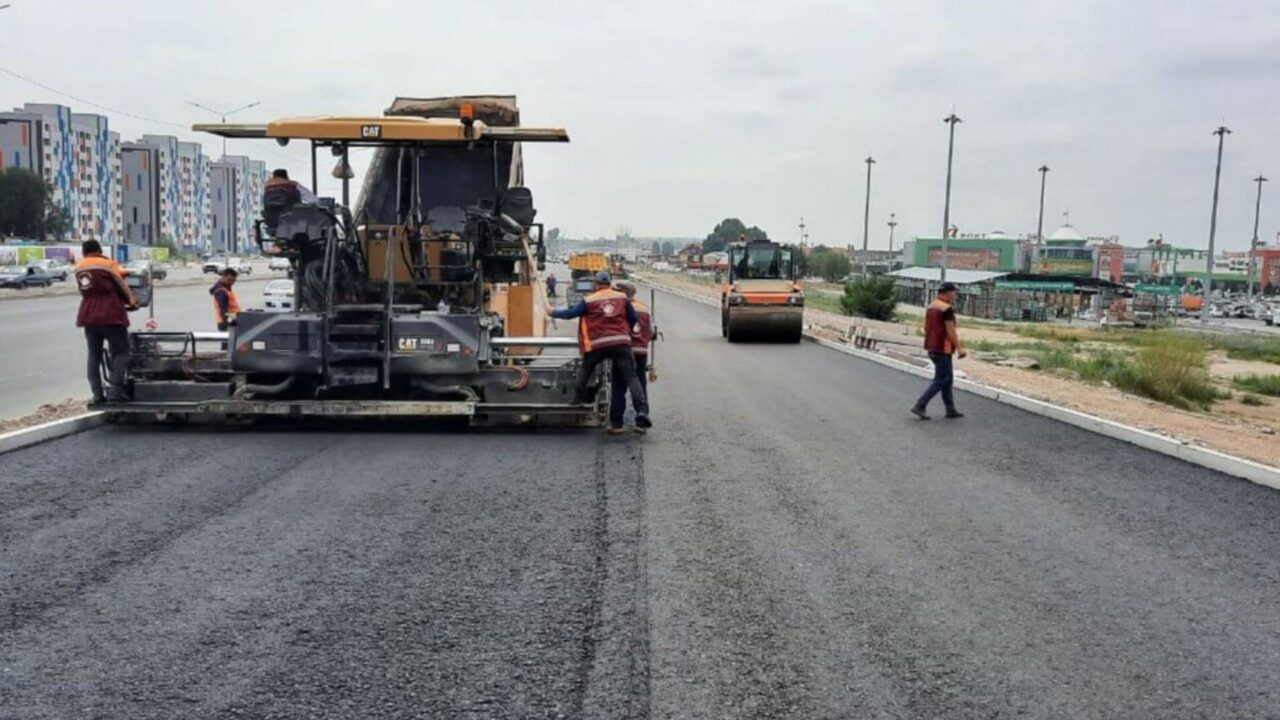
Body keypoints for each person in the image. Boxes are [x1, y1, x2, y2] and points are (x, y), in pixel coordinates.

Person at [546, 271, 652, 434]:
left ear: (596, 284)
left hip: (598, 344)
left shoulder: (589, 300)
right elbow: (633, 321)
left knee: (587, 368)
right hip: (621, 344)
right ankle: (642, 411)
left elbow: (570, 313)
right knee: (632, 378)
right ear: (610, 283)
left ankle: (578, 400)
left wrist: (552, 312)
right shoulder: (623, 299)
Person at [74, 240, 136, 404]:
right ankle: (116, 391)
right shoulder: (107, 264)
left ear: (84, 252)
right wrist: (132, 301)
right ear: (99, 250)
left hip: (88, 314)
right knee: (122, 351)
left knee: (93, 354)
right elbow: (121, 285)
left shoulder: (79, 267)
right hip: (110, 313)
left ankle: (97, 394)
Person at [911, 281, 966, 420]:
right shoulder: (946, 308)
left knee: (947, 378)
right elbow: (950, 330)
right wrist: (959, 347)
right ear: (948, 292)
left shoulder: (931, 306)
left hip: (931, 346)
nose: (955, 294)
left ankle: (950, 409)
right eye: (953, 292)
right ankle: (920, 405)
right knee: (942, 379)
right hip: (943, 348)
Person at [609, 282, 654, 432]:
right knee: (640, 385)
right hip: (641, 352)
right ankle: (641, 422)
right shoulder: (644, 309)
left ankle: (617, 424)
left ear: (624, 292)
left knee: (618, 387)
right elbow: (651, 332)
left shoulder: (619, 308)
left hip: (623, 351)